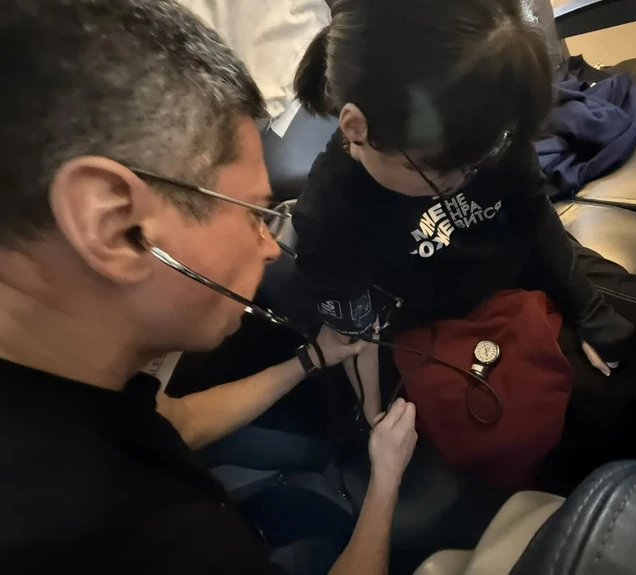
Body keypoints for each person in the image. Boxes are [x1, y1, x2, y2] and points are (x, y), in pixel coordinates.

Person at [0, 1, 417, 574]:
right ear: (114, 225)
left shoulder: (62, 377)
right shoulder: (149, 538)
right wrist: (387, 477)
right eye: (254, 214)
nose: (269, 246)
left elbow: (173, 422)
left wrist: (310, 359)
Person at [290, 0, 636, 486]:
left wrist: (589, 309)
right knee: (570, 411)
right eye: (438, 171)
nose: (462, 179)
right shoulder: (331, 215)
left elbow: (533, 211)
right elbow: (356, 332)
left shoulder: (481, 124)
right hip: (436, 322)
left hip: (516, 267)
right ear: (356, 128)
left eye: (475, 161)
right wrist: (371, 416)